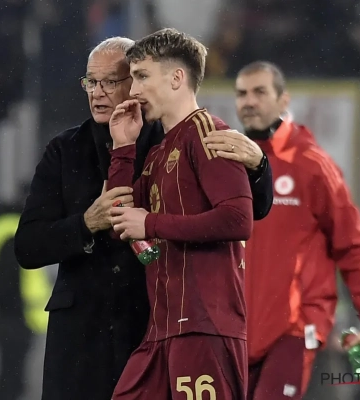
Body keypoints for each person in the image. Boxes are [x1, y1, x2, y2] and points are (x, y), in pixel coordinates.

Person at [14, 37, 272, 400]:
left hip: (155, 319)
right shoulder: (64, 151)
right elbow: (28, 247)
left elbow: (245, 213)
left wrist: (260, 167)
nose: (98, 92)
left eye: (113, 81)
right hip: (82, 332)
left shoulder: (176, 136)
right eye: (91, 82)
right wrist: (86, 223)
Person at [203, 61, 360, 400]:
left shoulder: (312, 164)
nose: (249, 101)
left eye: (260, 92)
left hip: (296, 328)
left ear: (283, 100)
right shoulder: (225, 164)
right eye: (242, 93)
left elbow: (352, 245)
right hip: (236, 327)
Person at [106, 28, 251, 400]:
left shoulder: (209, 133)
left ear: (176, 78)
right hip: (161, 330)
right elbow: (119, 221)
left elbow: (238, 219)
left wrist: (150, 223)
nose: (133, 90)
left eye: (142, 76)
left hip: (204, 326)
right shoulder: (158, 153)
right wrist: (123, 148)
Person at [0, 206, 52, 400]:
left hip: (9, 315)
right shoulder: (19, 232)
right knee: (14, 376)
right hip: (22, 315)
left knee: (6, 374)